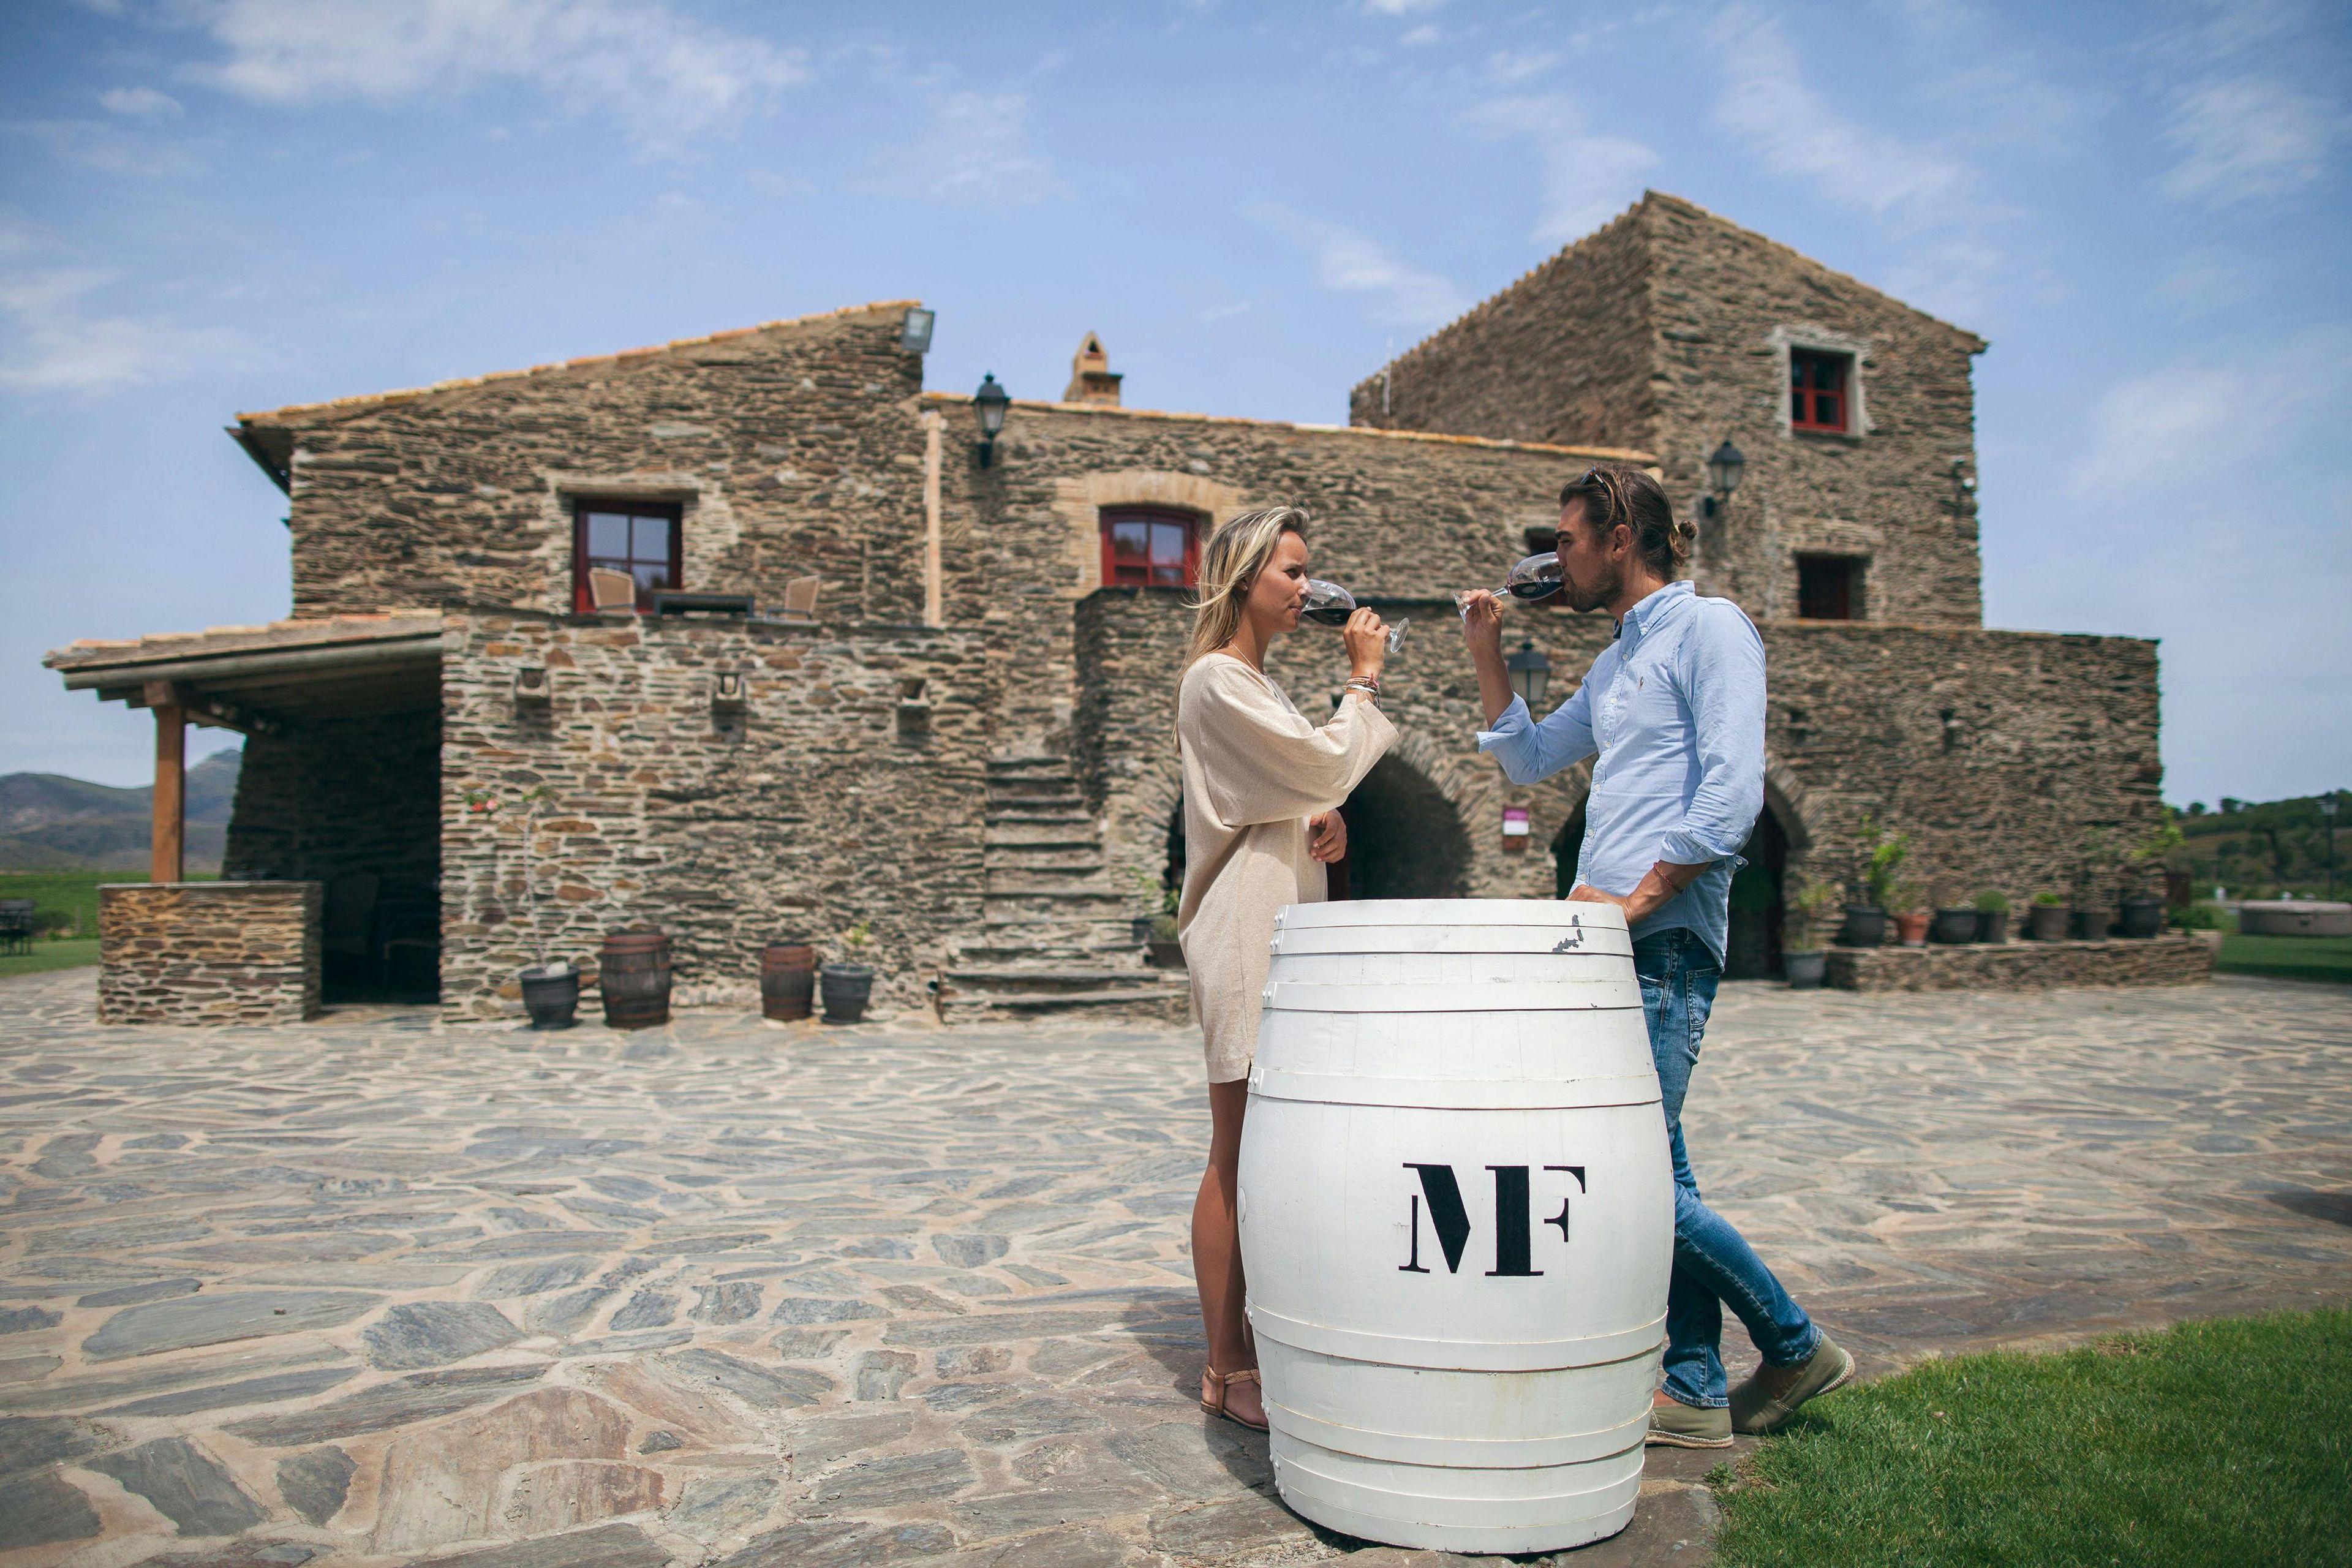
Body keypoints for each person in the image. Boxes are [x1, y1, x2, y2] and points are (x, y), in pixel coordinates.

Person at [1460, 464, 1850, 1447]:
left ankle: (1795, 1346)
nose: (1559, 559)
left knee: (1628, 1175)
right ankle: (1696, 1385)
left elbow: (1731, 797)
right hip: (1612, 945)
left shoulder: (1712, 629)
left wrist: (1636, 902)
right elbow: (1530, 762)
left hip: (1662, 943)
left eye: (1570, 540)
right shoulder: (1619, 657)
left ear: (1622, 534)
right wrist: (1486, 652)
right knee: (1658, 1172)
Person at [1177, 505, 1395, 1431]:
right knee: (1237, 1154)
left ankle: (1256, 1348)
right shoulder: (1216, 681)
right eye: (1293, 572)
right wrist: (1366, 682)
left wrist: (1327, 824)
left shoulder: (1259, 687)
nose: (1308, 588)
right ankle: (1228, 1369)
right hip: (1242, 931)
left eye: (1309, 573)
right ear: (1245, 576)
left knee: (1267, 1152)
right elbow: (1319, 761)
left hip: (1285, 925)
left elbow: (1303, 787)